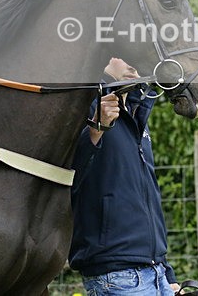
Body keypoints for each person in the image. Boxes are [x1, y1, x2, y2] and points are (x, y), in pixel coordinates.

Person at [69, 58, 182, 296]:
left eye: (137, 58)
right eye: (124, 56)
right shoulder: (80, 104)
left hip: (157, 273)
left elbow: (146, 195)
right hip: (116, 276)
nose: (134, 65)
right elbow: (66, 178)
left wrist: (166, 273)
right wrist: (95, 129)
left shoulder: (136, 112)